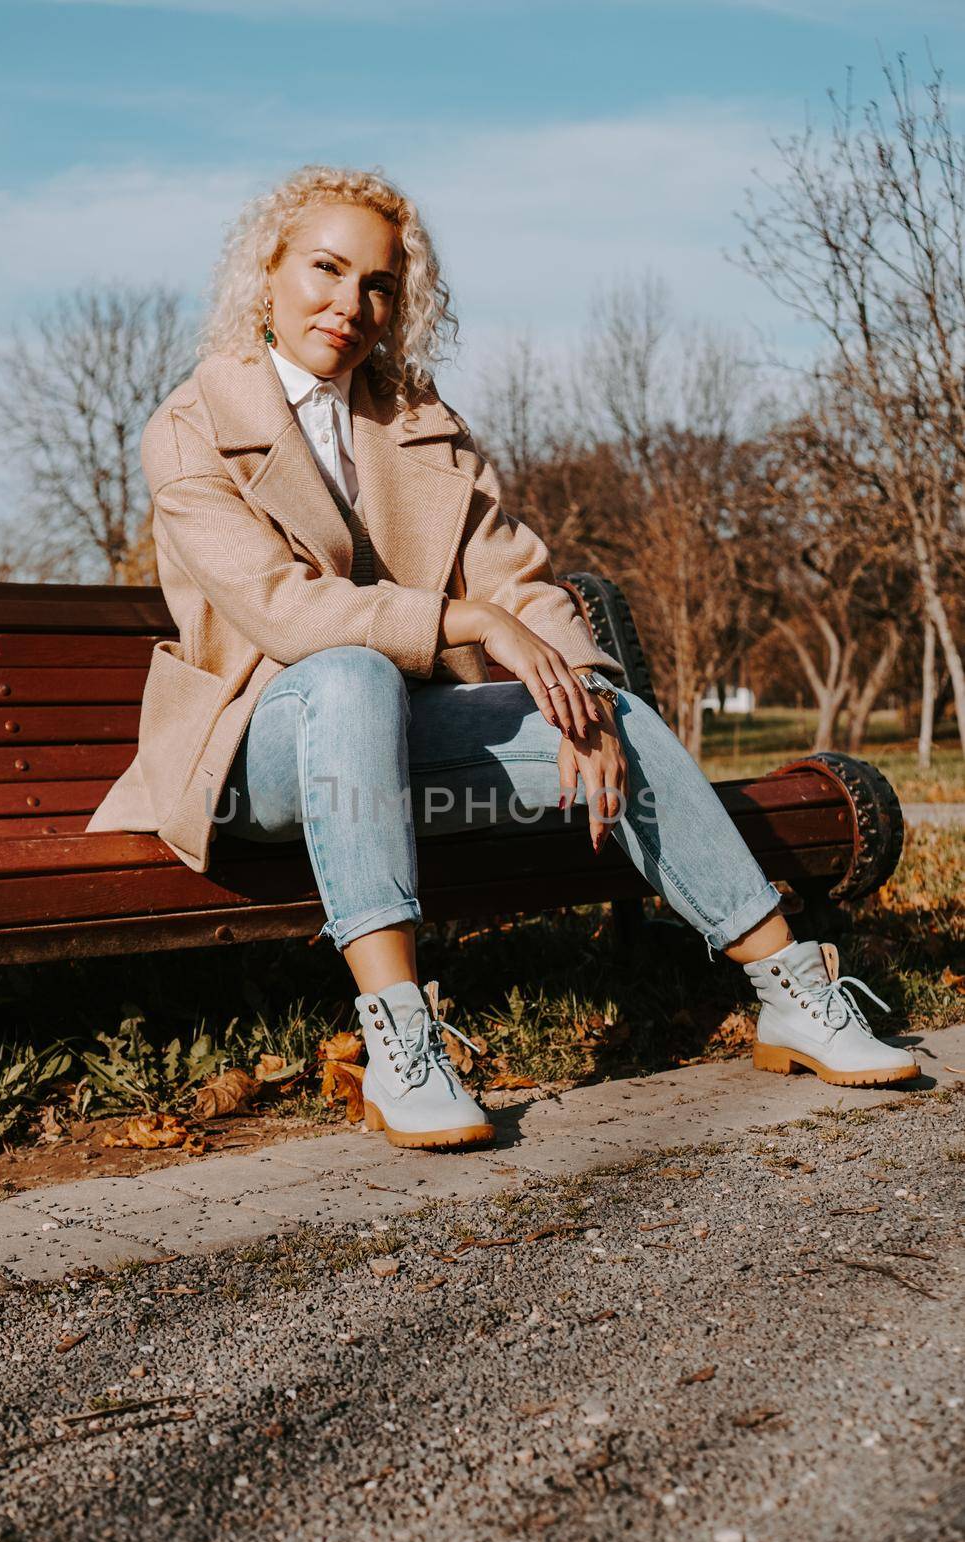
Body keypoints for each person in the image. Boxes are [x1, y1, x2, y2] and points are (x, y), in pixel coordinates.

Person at [85, 165, 917, 1151]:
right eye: (324, 268)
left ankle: (788, 990)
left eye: (378, 284)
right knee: (350, 674)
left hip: (387, 747)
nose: (349, 303)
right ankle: (399, 1045)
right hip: (247, 754)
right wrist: (470, 626)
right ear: (265, 272)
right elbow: (289, 615)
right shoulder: (189, 429)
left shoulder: (417, 423)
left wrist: (575, 688)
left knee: (609, 711)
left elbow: (520, 583)